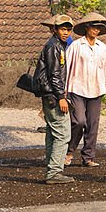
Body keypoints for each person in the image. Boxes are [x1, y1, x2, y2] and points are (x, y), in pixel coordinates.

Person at [64, 11, 106, 167]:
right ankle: (69, 151)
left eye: (98, 28)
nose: (96, 30)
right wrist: (63, 92)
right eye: (93, 27)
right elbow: (66, 67)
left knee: (93, 124)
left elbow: (105, 69)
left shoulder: (102, 47)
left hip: (96, 89)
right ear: (87, 27)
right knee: (79, 121)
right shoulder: (76, 46)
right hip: (77, 88)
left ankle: (88, 157)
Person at [35, 14, 75, 184]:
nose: (66, 32)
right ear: (55, 29)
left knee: (52, 132)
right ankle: (54, 172)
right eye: (63, 29)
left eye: (68, 29)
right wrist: (61, 96)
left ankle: (52, 166)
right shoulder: (55, 47)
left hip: (49, 94)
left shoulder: (56, 45)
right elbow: (55, 74)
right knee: (63, 134)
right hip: (53, 94)